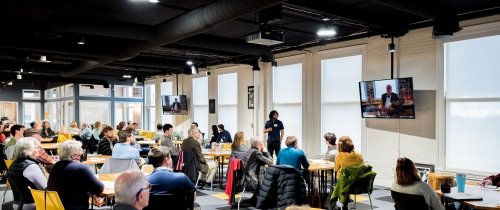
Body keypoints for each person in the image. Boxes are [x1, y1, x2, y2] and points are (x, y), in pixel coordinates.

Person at [47, 141, 104, 210]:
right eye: (80, 151)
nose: (83, 153)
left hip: (57, 207)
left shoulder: (56, 166)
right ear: (73, 155)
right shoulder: (80, 168)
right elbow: (99, 188)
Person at [7, 138, 47, 210]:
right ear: (28, 151)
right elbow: (45, 188)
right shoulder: (31, 166)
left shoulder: (13, 164)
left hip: (17, 204)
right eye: (36, 148)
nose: (38, 150)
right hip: (32, 204)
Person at [242, 137, 273, 205]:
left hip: (246, 177)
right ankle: (263, 200)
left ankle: (255, 198)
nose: (263, 144)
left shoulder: (250, 150)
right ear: (259, 144)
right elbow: (271, 162)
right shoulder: (257, 153)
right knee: (269, 177)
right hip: (251, 180)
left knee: (262, 170)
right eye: (262, 142)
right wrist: (266, 151)